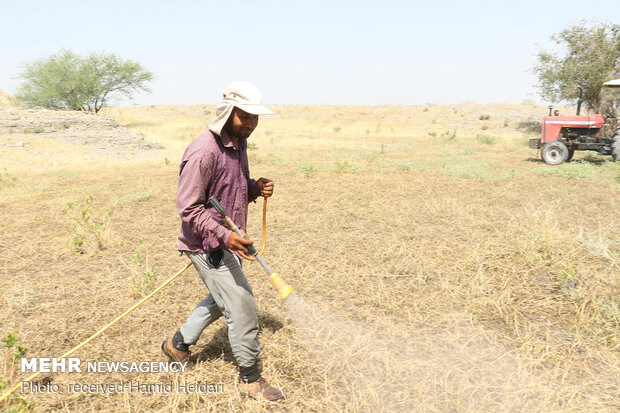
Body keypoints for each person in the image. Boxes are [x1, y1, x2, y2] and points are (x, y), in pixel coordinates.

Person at [161, 81, 284, 401]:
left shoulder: (238, 142)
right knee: (242, 303)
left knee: (222, 298)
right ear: (228, 113)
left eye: (256, 118)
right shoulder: (204, 151)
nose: (252, 124)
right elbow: (188, 208)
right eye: (245, 117)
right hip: (206, 244)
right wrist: (225, 235)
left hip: (226, 240)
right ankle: (250, 380)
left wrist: (254, 188)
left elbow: (231, 186)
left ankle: (177, 345)